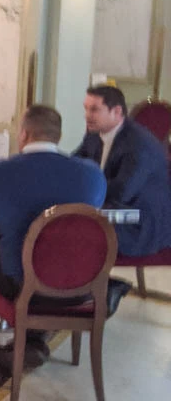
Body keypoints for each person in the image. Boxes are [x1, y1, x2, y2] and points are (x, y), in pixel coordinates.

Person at [0, 105, 106, 368]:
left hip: (25, 286)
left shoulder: (1, 171)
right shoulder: (91, 174)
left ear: (23, 134)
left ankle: (21, 326)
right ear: (58, 136)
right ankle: (35, 337)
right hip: (81, 288)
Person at [73, 85, 171, 312]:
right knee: (63, 224)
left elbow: (120, 194)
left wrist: (74, 197)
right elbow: (74, 165)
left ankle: (95, 294)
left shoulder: (139, 146)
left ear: (117, 112)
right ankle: (68, 297)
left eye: (94, 110)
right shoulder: (95, 133)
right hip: (115, 210)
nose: (87, 115)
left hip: (140, 224)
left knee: (74, 230)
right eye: (86, 108)